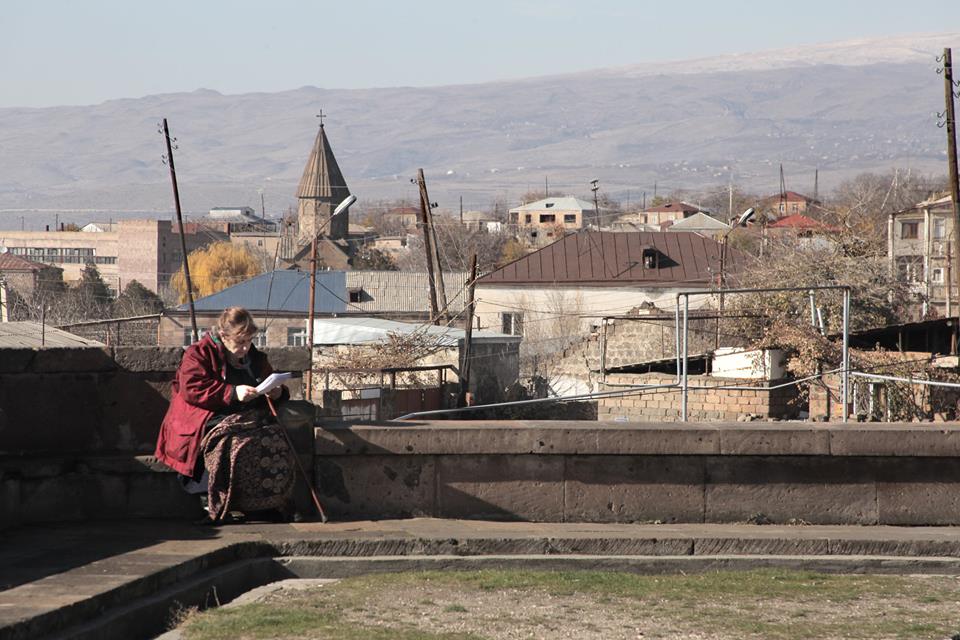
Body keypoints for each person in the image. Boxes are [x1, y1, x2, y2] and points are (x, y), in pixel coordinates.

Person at [154, 306, 296, 523]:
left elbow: (268, 380)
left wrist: (278, 392)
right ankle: (218, 501)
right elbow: (192, 388)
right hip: (202, 418)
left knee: (273, 436)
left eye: (248, 341)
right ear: (223, 336)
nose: (245, 348)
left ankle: (263, 503)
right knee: (233, 441)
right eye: (239, 343)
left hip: (244, 417)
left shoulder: (255, 358)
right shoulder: (198, 354)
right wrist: (232, 392)